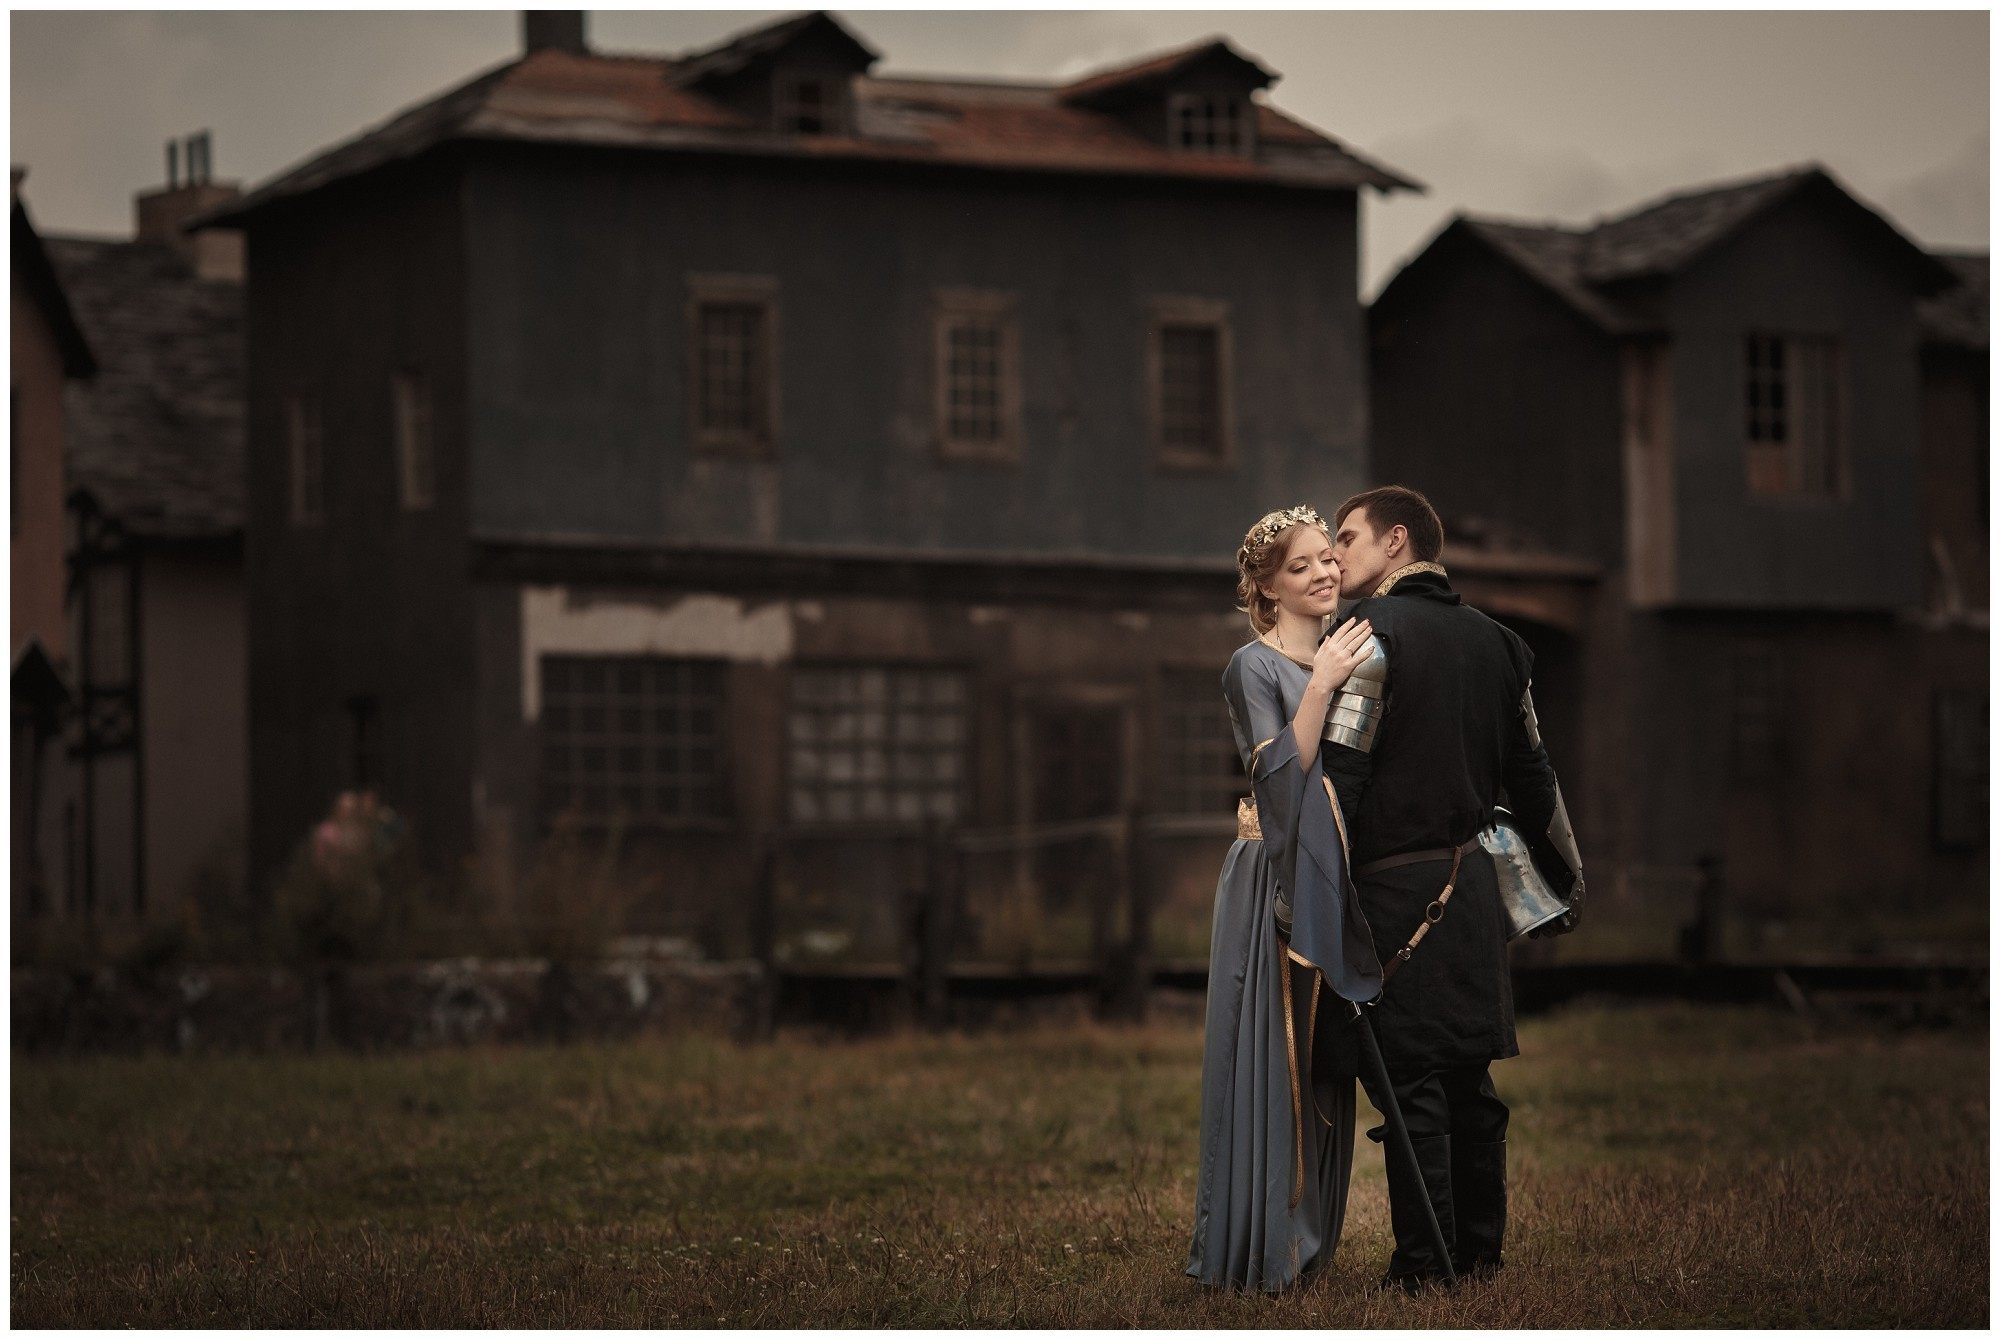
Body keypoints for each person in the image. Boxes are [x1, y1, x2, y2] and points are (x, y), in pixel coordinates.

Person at [1320, 485, 1583, 1291]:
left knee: (1413, 1084)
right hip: (1470, 897)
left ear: (1397, 540)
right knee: (1469, 1081)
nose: (1334, 553)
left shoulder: (1367, 633)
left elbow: (1341, 778)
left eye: (1348, 537)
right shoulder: (1503, 644)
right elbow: (1535, 777)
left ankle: (1424, 1269)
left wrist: (1313, 892)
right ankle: (1479, 1258)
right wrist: (1568, 879)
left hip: (1393, 896)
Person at [1185, 505, 1383, 1292]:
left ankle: (1313, 1237)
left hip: (1340, 869)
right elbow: (1277, 782)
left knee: (1326, 1053)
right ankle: (1263, 1239)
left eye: (1327, 557)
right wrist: (1322, 684)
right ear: (1267, 589)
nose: (1324, 573)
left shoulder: (1356, 649)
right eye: (1300, 567)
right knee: (1274, 1051)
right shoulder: (1253, 666)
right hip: (1270, 870)